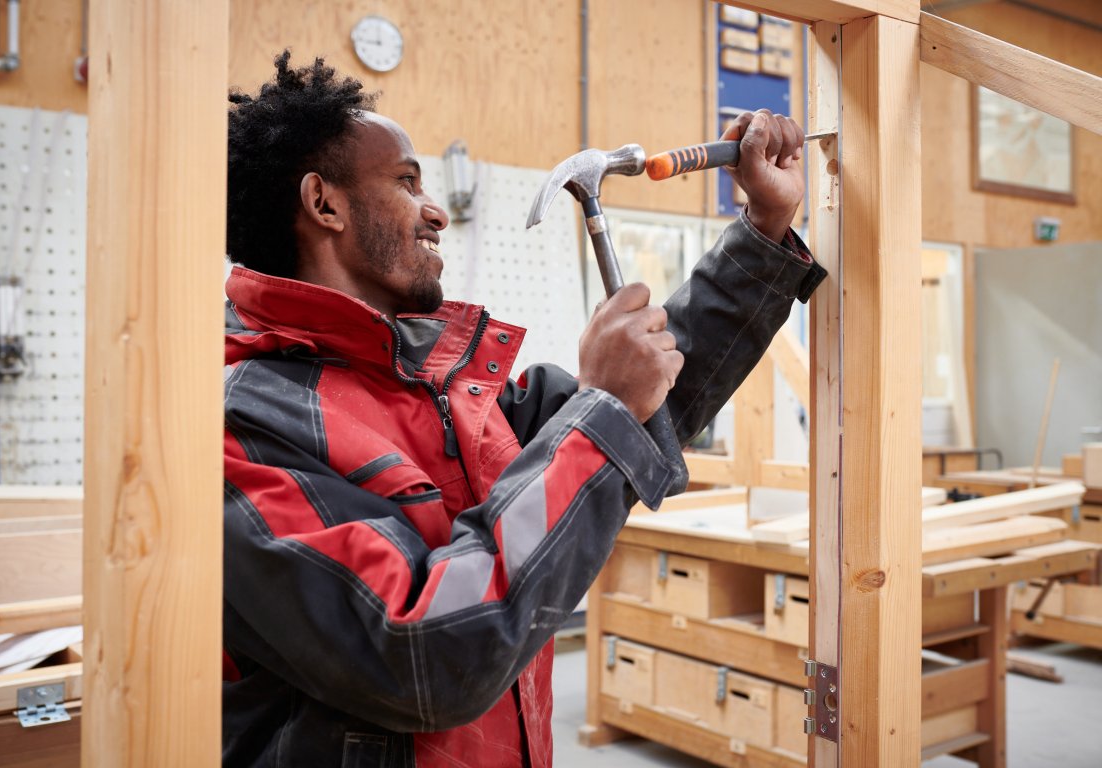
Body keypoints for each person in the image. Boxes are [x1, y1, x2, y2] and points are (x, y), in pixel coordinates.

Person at [222, 51, 825, 768]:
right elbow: (426, 651)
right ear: (325, 204)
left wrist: (763, 230)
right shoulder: (245, 431)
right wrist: (602, 409)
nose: (437, 211)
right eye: (407, 182)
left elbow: (649, 401)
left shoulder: (442, 393)